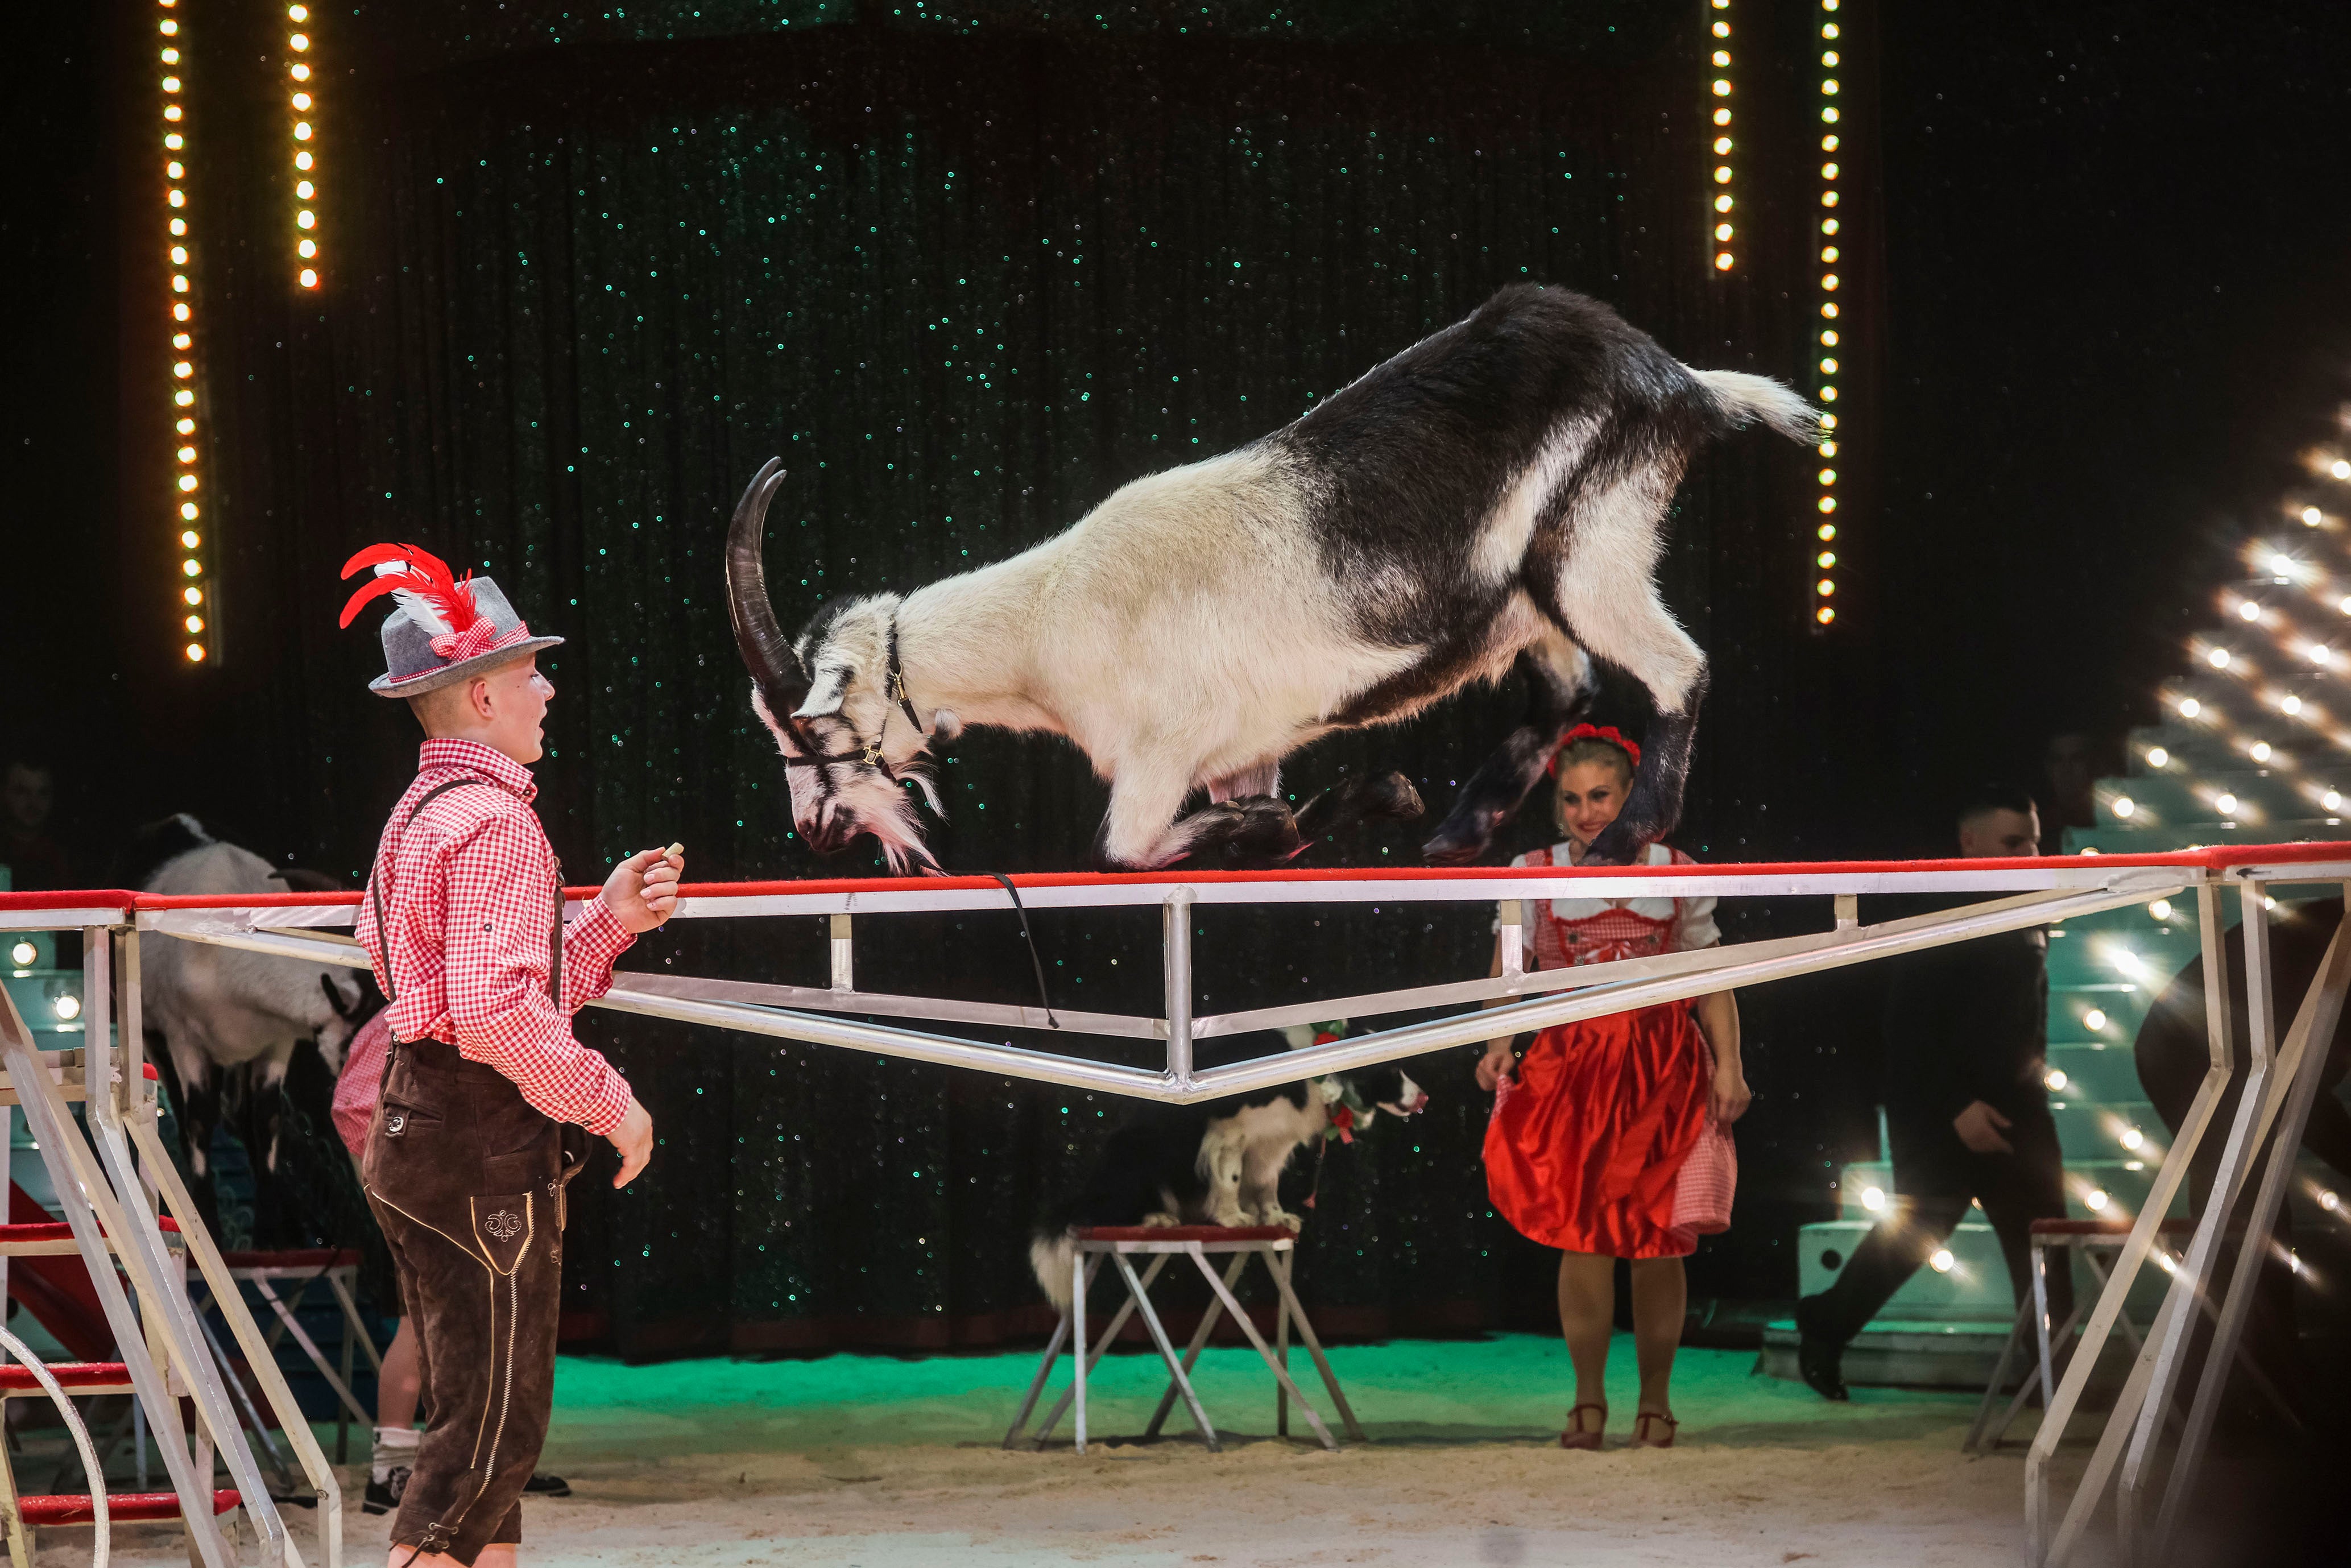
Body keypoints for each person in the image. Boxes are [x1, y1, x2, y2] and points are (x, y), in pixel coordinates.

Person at [343, 543, 678, 1568]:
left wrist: (605, 924)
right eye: (529, 670)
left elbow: (447, 992)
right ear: (480, 695)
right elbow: (492, 1018)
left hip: (424, 1131)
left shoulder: (420, 815)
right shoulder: (491, 824)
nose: (548, 686)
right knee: (482, 1443)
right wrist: (611, 1103)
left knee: (488, 1436)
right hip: (476, 1144)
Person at [1475, 724, 1749, 1451]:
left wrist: (1730, 1066)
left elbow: (1712, 979)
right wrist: (1497, 1045)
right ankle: (1588, 1399)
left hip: (1662, 1070)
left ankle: (1656, 1401)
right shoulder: (1531, 871)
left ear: (1633, 796)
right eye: (1571, 800)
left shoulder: (1674, 869)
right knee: (1585, 1237)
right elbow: (1509, 975)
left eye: (1601, 796)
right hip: (1574, 1068)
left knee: (1661, 1239)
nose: (1586, 813)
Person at [1794, 784, 2066, 1400]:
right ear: (1969, 843)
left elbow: (2032, 1010)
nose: (2028, 854)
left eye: (2034, 843)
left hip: (2015, 1104)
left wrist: (2028, 1087)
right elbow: (1907, 1027)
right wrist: (1956, 1108)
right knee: (1924, 1229)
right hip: (1937, 1106)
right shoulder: (1940, 908)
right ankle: (1828, 1321)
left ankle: (2058, 1371)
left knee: (2045, 1235)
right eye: (2013, 843)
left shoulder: (2033, 905)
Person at [330, 1009, 573, 1515]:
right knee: (423, 1324)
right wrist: (409, 1166)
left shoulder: (460, 1005)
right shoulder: (420, 1012)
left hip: (471, 1186)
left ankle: (486, 1465)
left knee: (482, 1327)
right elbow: (355, 1106)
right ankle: (393, 1464)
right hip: (437, 1191)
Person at [1, 756, 73, 890]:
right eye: (21, 792)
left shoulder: (68, 855)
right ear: (3, 793)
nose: (33, 803)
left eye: (43, 793)